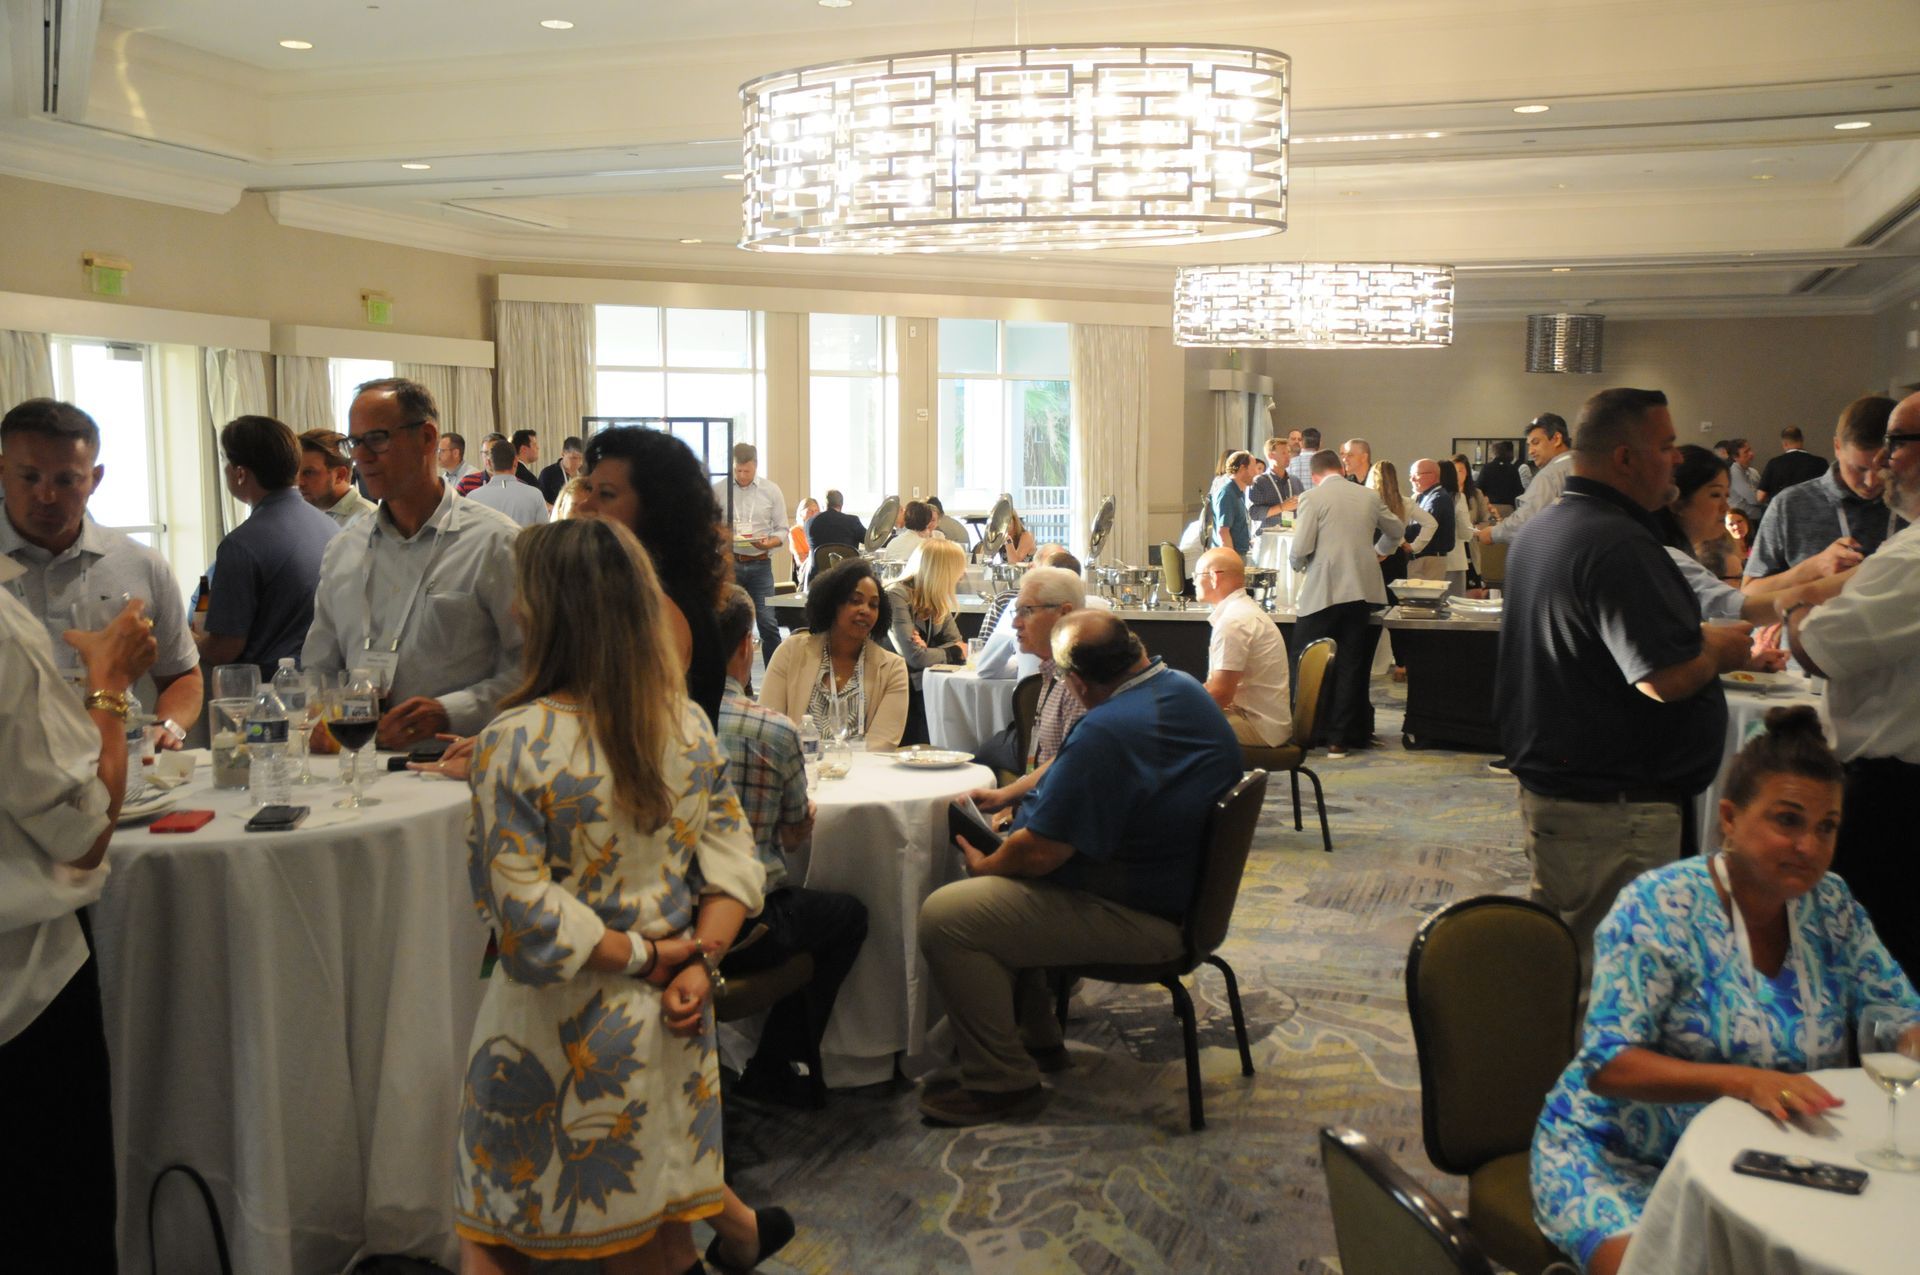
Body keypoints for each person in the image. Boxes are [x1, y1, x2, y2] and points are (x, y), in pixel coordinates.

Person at [453, 516, 765, 1275]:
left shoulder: (514, 739)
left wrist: (652, 955)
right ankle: (749, 1239)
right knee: (656, 1226)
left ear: (547, 608)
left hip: (555, 1018)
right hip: (671, 1012)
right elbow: (735, 867)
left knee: (494, 1227)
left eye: (522, 595)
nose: (516, 610)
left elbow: (527, 916)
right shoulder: (685, 723)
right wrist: (697, 960)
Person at [1530, 708, 1920, 1275]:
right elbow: (1608, 1064)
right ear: (1730, 820)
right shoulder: (1659, 907)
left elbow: (1902, 1014)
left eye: (1826, 826)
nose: (1808, 846)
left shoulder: (1830, 907)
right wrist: (1741, 1080)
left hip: (1769, 1161)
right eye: (1788, 821)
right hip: (1618, 1157)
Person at [917, 612, 1242, 1125]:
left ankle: (1002, 1083)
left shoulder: (1109, 729)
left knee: (951, 915)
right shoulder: (1177, 687)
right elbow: (1075, 757)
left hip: (1145, 914)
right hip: (1184, 893)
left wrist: (989, 865)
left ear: (1077, 682)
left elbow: (1039, 853)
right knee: (1005, 894)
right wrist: (1008, 793)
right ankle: (1037, 1038)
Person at [1495, 388, 1762, 979]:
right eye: (1665, 447)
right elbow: (1660, 681)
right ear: (1623, 458)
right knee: (1617, 986)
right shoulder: (1617, 542)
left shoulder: (1546, 529)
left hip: (1573, 794)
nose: (1675, 459)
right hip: (1612, 810)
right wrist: (1715, 648)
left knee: (1578, 967)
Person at [1, 582, 156, 1273]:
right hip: (21, 997)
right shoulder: (5, 633)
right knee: (56, 1229)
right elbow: (84, 825)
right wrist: (109, 685)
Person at [711, 584, 869, 1110]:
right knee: (847, 915)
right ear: (746, 648)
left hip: (659, 921)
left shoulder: (646, 722)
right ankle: (777, 1061)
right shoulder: (771, 731)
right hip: (744, 928)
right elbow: (794, 834)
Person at [302, 378, 524, 749]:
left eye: (376, 439)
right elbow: (319, 667)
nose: (360, 456)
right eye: (354, 443)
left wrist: (452, 709)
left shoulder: (496, 544)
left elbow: (535, 669)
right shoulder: (344, 550)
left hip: (453, 774)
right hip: (357, 769)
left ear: (427, 438)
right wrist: (318, 718)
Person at [1789, 388, 1920, 977]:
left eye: (1898, 442)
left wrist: (1794, 610)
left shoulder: (1913, 555)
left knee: (1875, 970)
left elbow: (1817, 648)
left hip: (1896, 798)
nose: (1885, 459)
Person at [1, 398, 202, 748]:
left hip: (122, 761)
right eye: (30, 477)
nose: (46, 495)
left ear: (95, 479)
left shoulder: (141, 564)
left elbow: (182, 677)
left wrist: (169, 726)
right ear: (2, 471)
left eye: (66, 480)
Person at [577, 426, 733, 725]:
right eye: (589, 490)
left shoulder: (662, 607)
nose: (586, 506)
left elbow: (627, 731)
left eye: (606, 495)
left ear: (656, 511)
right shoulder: (634, 593)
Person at [197, 415, 340, 676]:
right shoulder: (331, 527)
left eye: (224, 460)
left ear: (240, 473)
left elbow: (224, 649)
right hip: (322, 683)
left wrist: (190, 641)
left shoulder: (241, 545)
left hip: (266, 695)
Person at [1289, 449, 1405, 757]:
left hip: (1323, 592)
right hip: (1361, 591)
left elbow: (1301, 547)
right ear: (1340, 468)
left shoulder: (1312, 498)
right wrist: (1379, 551)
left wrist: (1297, 565)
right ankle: (1339, 739)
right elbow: (1397, 530)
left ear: (1314, 475)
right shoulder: (1367, 495)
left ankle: (1306, 733)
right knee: (1350, 664)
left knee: (1306, 662)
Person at [1657, 445, 1849, 628]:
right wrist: (1863, 571)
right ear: (1678, 502)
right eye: (1715, 495)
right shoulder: (1670, 560)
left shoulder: (1679, 555)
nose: (1725, 508)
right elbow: (1745, 609)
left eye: (1726, 495)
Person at [758, 558, 909, 750]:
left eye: (874, 605)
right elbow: (769, 728)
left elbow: (882, 744)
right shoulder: (791, 652)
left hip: (865, 774)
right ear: (832, 603)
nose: (865, 610)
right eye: (855, 601)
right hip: (799, 772)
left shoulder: (892, 668)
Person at [1742, 395, 1891, 589]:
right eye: (1858, 469)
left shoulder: (1911, 501)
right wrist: (1813, 569)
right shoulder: (1789, 505)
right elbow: (1749, 594)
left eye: (1883, 467)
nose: (1871, 481)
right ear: (1837, 447)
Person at [969, 565, 1092, 788]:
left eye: (1027, 611)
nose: (1015, 623)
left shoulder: (1079, 685)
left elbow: (1070, 776)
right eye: (1015, 612)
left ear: (1064, 613)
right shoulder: (1051, 672)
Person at [1195, 547, 1291, 746]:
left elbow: (1220, 695)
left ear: (1213, 577)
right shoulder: (1241, 611)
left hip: (1258, 727)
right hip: (1262, 720)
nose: (1194, 581)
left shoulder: (1233, 621)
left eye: (1197, 575)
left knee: (1167, 727)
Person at [885, 538, 968, 746]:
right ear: (942, 572)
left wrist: (930, 651)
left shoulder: (936, 599)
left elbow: (958, 643)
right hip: (899, 690)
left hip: (923, 687)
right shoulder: (896, 595)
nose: (961, 576)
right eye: (958, 570)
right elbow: (915, 657)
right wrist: (951, 653)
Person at [714, 442, 787, 665]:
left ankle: (775, 677)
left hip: (761, 564)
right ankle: (737, 682)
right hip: (731, 563)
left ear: (755, 465)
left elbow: (782, 529)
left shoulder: (771, 490)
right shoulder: (719, 490)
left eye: (747, 470)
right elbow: (709, 526)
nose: (742, 475)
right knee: (731, 622)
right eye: (738, 470)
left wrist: (769, 543)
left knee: (767, 623)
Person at [1479, 413, 1574, 547]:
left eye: (1536, 443)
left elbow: (1527, 521)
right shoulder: (1584, 466)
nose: (1531, 451)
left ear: (1557, 439)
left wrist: (1492, 533)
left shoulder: (1550, 475)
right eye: (1529, 445)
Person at [297, 428, 377, 526]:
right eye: (296, 473)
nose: (299, 482)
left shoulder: (367, 521)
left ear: (340, 475)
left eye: (309, 473)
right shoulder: (304, 515)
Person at [1402, 457, 1458, 594]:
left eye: (1416, 475)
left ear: (1432, 476)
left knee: (1422, 601)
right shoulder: (1427, 496)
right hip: (1426, 558)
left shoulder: (1437, 498)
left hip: (1428, 560)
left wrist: (1401, 538)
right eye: (1411, 476)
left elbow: (1423, 527)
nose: (1411, 479)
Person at [466, 438, 550, 528]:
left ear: (489, 463)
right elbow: (543, 535)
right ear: (515, 462)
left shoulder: (472, 498)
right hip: (522, 542)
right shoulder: (535, 495)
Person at [1756, 423, 1830, 501]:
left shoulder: (1774, 464)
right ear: (1802, 440)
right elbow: (1830, 490)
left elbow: (1760, 497)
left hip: (1783, 510)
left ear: (1784, 444)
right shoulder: (1821, 463)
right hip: (1813, 510)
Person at [1246, 436, 1297, 528]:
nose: (1288, 455)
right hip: (1267, 538)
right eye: (1283, 453)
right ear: (1270, 456)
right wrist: (1282, 507)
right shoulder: (1258, 482)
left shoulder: (1294, 480)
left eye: (1289, 452)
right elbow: (1253, 513)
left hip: (1289, 536)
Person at [1212, 450, 1255, 556]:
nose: (1256, 473)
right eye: (1253, 469)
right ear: (1242, 468)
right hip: (1231, 558)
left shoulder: (1239, 493)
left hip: (1240, 553)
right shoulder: (1227, 494)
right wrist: (1231, 560)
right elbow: (1223, 532)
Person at [805, 489, 866, 554]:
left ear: (824, 505)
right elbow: (868, 541)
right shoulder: (852, 521)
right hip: (846, 564)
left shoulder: (809, 522)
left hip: (819, 564)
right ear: (841, 505)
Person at [1720, 436, 1764, 520]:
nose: (1751, 454)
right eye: (1746, 452)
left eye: (1750, 450)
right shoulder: (1734, 472)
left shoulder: (1753, 471)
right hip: (1742, 519)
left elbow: (1761, 492)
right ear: (1735, 457)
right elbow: (1755, 499)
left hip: (1755, 515)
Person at [536, 435, 583, 506]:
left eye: (581, 458)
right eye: (574, 458)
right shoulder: (548, 474)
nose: (579, 463)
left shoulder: (584, 474)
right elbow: (540, 500)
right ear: (563, 453)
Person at [1477, 439, 1524, 509]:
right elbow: (1519, 490)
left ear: (1494, 453)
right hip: (1509, 507)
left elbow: (1479, 488)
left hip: (1490, 507)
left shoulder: (1487, 468)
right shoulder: (1512, 468)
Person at [457, 433, 504, 497]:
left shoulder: (516, 484)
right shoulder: (466, 483)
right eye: (486, 453)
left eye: (493, 453)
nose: (488, 458)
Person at [789, 495, 820, 579]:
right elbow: (800, 560)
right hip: (805, 571)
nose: (814, 514)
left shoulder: (821, 530)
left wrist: (808, 555)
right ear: (801, 513)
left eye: (816, 511)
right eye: (810, 511)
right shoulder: (794, 532)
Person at [1286, 427, 1320, 494]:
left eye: (1299, 439)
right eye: (1293, 439)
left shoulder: (1289, 464)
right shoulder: (1287, 464)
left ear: (1302, 443)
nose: (1296, 442)